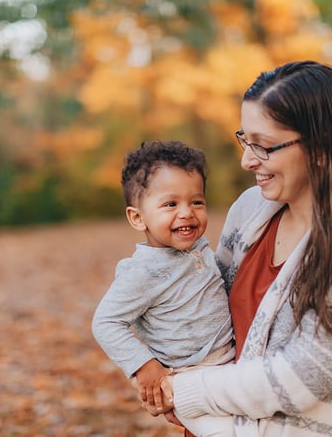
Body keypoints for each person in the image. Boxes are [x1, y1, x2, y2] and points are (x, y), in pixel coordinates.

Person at [154, 61, 332, 437]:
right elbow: (206, 313)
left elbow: (301, 380)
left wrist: (181, 390)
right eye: (245, 140)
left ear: (322, 147)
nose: (247, 160)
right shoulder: (249, 210)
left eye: (263, 146)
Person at [91, 140, 235, 437]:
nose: (187, 213)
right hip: (187, 376)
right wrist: (144, 366)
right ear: (138, 217)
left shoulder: (200, 250)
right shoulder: (143, 271)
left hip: (229, 366)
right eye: (171, 204)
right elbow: (105, 322)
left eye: (196, 202)